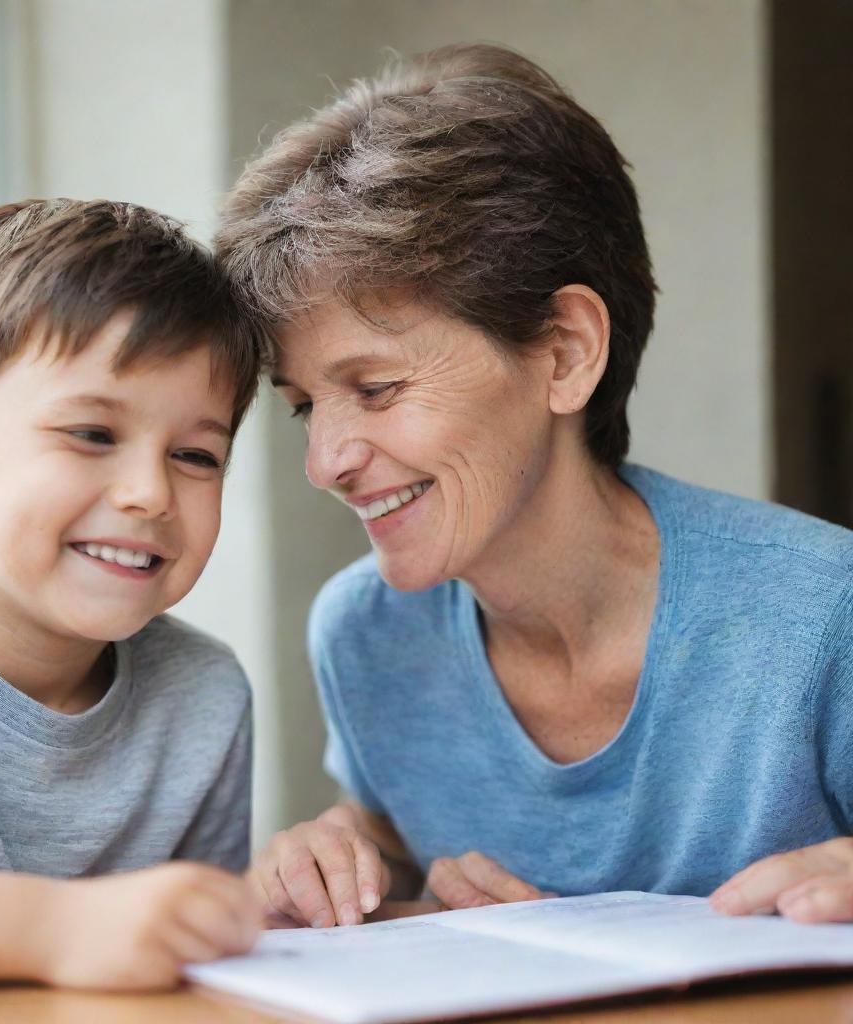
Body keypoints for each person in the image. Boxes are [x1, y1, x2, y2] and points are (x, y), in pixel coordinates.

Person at [217, 44, 853, 930]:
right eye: (302, 408)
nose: (325, 463)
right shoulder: (364, 635)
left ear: (565, 354)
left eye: (376, 389)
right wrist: (334, 855)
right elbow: (397, 837)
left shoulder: (824, 616)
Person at [0, 199, 265, 989]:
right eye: (92, 435)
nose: (149, 493)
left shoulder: (204, 698)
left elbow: (198, 978)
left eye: (197, 455)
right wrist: (49, 929)